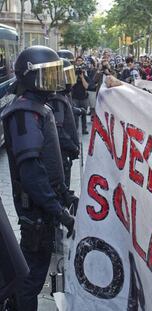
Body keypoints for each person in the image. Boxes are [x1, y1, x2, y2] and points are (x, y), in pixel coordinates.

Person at [0, 45, 76, 311]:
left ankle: (39, 303)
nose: (54, 82)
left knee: (44, 268)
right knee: (31, 278)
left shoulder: (37, 107)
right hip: (37, 213)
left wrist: (65, 196)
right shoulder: (23, 113)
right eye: (48, 75)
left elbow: (47, 164)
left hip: (46, 209)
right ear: (31, 76)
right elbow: (31, 173)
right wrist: (58, 209)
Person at [47, 58, 80, 188]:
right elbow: (59, 131)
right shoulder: (56, 99)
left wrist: (77, 111)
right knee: (63, 186)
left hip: (63, 152)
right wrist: (73, 147)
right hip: (62, 153)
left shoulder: (61, 96)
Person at [71, 56, 90, 134]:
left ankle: (84, 129)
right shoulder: (72, 75)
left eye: (81, 61)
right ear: (76, 62)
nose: (79, 62)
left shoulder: (85, 76)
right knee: (75, 115)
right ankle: (76, 129)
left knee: (84, 114)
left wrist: (82, 77)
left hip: (83, 97)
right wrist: (75, 76)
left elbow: (86, 86)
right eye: (78, 61)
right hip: (75, 97)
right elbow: (71, 85)